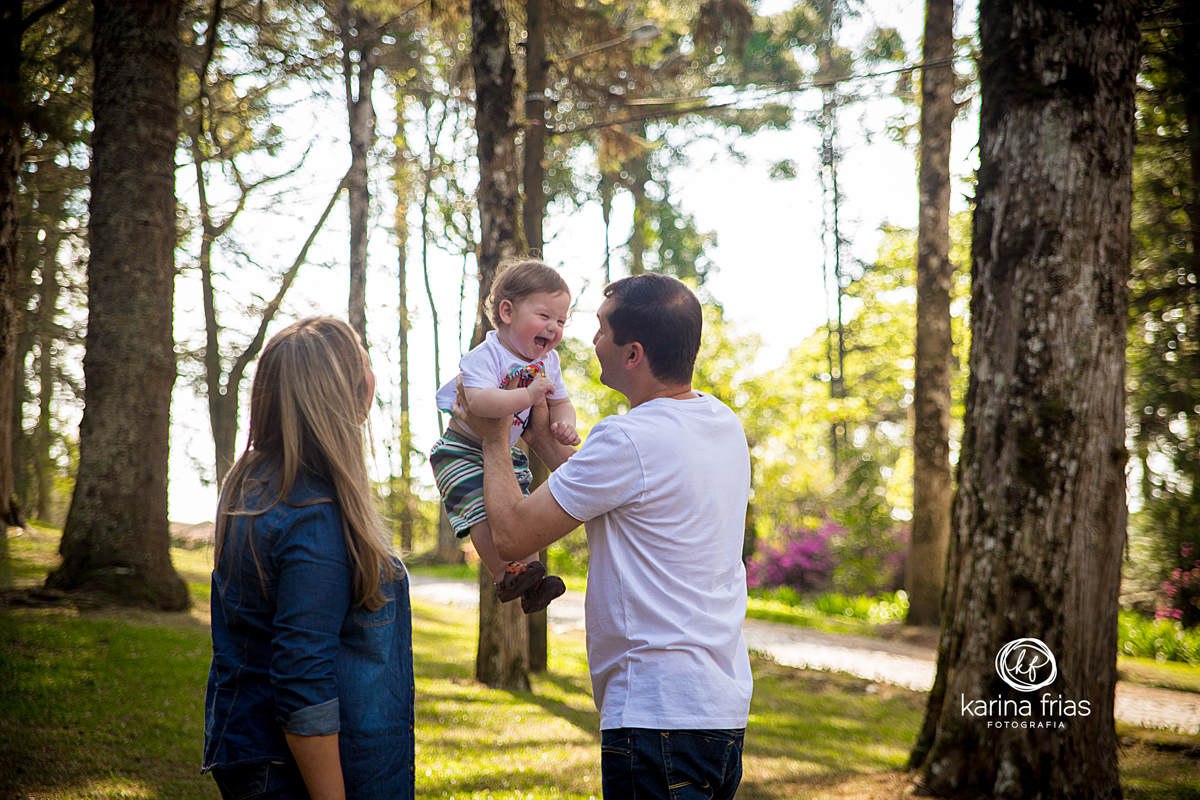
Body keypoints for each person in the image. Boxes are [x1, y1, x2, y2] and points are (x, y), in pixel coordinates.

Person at [454, 273, 753, 799]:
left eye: (599, 329)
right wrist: (542, 438)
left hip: (655, 716)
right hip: (719, 713)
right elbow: (610, 486)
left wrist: (494, 434)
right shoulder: (720, 423)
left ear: (632, 353)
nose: (588, 340)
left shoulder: (628, 438)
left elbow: (512, 537)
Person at [202, 317, 414, 800]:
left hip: (253, 752)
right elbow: (303, 682)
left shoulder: (255, 487)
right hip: (297, 771)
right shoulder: (312, 517)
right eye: (363, 357)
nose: (371, 370)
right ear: (345, 390)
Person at [430, 259, 578, 613]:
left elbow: (561, 401)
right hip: (461, 450)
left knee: (521, 507)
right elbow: (479, 400)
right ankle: (503, 574)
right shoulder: (487, 355)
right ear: (507, 312)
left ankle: (533, 582)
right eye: (545, 317)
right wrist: (526, 397)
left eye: (561, 321)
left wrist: (564, 423)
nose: (554, 328)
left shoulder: (549, 362)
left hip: (506, 451)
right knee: (481, 511)